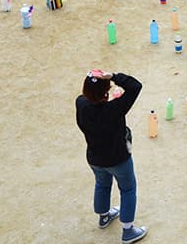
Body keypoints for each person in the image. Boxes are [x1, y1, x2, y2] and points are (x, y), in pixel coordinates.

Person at [75, 69, 147, 243]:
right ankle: (128, 232)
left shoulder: (81, 103)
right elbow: (135, 86)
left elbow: (92, 99)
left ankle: (104, 216)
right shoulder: (114, 108)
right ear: (105, 92)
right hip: (118, 159)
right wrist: (113, 76)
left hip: (94, 158)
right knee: (128, 189)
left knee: (102, 184)